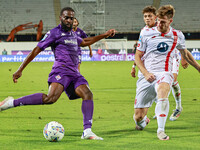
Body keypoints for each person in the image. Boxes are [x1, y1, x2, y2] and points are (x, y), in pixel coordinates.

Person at [0, 7, 116, 140]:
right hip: (61, 71)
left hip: (74, 73)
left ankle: (87, 131)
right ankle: (11, 103)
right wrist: (20, 69)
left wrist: (105, 35)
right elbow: (36, 50)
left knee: (88, 94)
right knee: (50, 99)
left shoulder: (73, 34)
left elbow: (84, 42)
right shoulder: (54, 33)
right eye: (66, 17)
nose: (69, 20)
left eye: (71, 18)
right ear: (61, 18)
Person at [133, 5, 200, 140]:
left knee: (163, 92)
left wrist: (198, 67)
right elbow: (137, 56)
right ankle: (144, 121)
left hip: (164, 72)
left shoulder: (177, 35)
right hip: (146, 76)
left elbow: (185, 53)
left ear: (170, 20)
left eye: (163, 21)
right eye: (158, 20)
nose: (160, 24)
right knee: (138, 117)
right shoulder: (146, 33)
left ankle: (161, 130)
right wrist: (145, 73)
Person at [131, 5, 188, 121]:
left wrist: (183, 57)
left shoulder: (167, 28)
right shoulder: (145, 32)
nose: (148, 19)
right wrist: (134, 66)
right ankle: (158, 108)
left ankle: (177, 107)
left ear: (155, 17)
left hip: (171, 58)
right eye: (145, 16)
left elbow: (181, 46)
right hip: (152, 66)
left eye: (150, 16)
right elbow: (141, 53)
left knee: (172, 81)